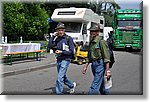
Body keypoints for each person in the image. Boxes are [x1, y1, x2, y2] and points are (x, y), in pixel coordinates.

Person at [82, 23, 111, 95]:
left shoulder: (101, 42)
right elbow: (89, 56)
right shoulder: (91, 42)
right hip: (94, 65)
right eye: (91, 31)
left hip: (100, 64)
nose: (92, 33)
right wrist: (85, 66)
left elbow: (106, 57)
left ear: (98, 32)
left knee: (94, 85)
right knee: (101, 84)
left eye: (94, 31)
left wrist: (107, 70)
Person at [47, 22, 76, 94]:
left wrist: (61, 52)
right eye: (59, 30)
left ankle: (58, 93)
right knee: (63, 76)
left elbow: (72, 52)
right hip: (59, 59)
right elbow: (49, 46)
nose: (60, 31)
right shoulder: (57, 39)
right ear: (57, 31)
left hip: (66, 59)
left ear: (64, 30)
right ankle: (72, 85)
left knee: (60, 78)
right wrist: (53, 37)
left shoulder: (68, 39)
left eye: (62, 30)